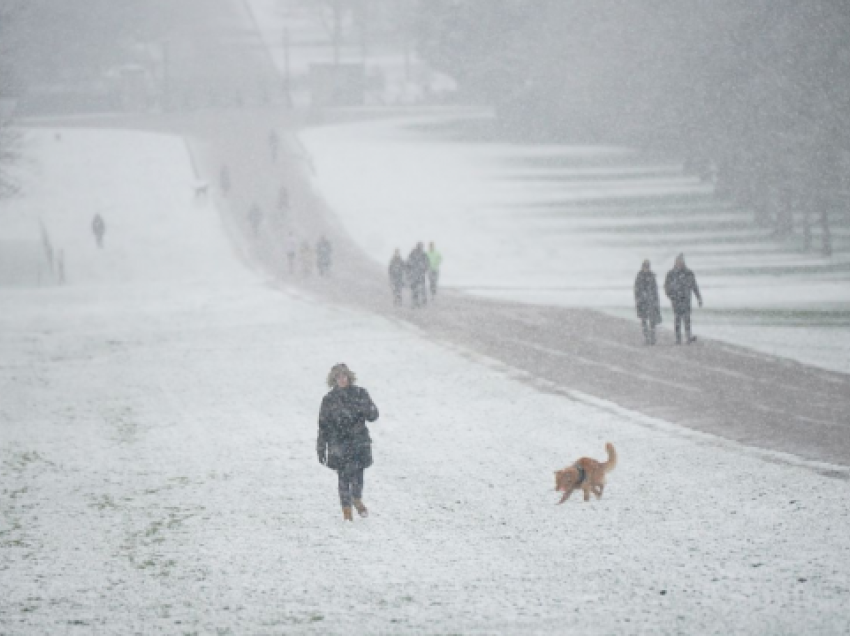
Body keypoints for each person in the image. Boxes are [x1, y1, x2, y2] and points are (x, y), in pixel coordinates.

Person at [317, 363, 380, 521]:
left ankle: (357, 499)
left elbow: (373, 415)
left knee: (358, 474)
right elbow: (323, 425)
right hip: (338, 442)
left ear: (349, 377)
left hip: (359, 441)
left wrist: (366, 408)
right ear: (334, 379)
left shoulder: (360, 393)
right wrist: (321, 446)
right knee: (343, 477)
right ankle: (347, 511)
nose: (342, 379)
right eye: (338, 377)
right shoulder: (329, 399)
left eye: (344, 376)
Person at [664, 253, 703, 345]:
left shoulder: (689, 273)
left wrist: (699, 298)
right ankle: (678, 339)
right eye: (678, 261)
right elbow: (666, 286)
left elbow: (694, 286)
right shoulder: (671, 274)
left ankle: (688, 337)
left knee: (687, 319)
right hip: (676, 300)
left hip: (686, 300)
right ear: (675, 262)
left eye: (681, 261)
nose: (680, 263)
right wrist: (670, 296)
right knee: (677, 320)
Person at [634, 260, 661, 345]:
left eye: (647, 267)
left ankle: (652, 337)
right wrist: (639, 299)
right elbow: (636, 290)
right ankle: (647, 337)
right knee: (644, 320)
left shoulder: (652, 276)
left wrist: (656, 300)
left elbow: (655, 290)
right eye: (645, 267)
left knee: (652, 321)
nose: (646, 268)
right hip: (642, 302)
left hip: (651, 302)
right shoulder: (639, 276)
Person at [407, 242, 430, 308]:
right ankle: (416, 302)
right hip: (416, 275)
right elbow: (408, 264)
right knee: (416, 289)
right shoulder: (414, 254)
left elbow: (427, 264)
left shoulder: (423, 254)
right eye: (421, 246)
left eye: (421, 246)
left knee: (419, 289)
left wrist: (424, 268)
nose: (421, 248)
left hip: (419, 275)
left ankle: (418, 302)